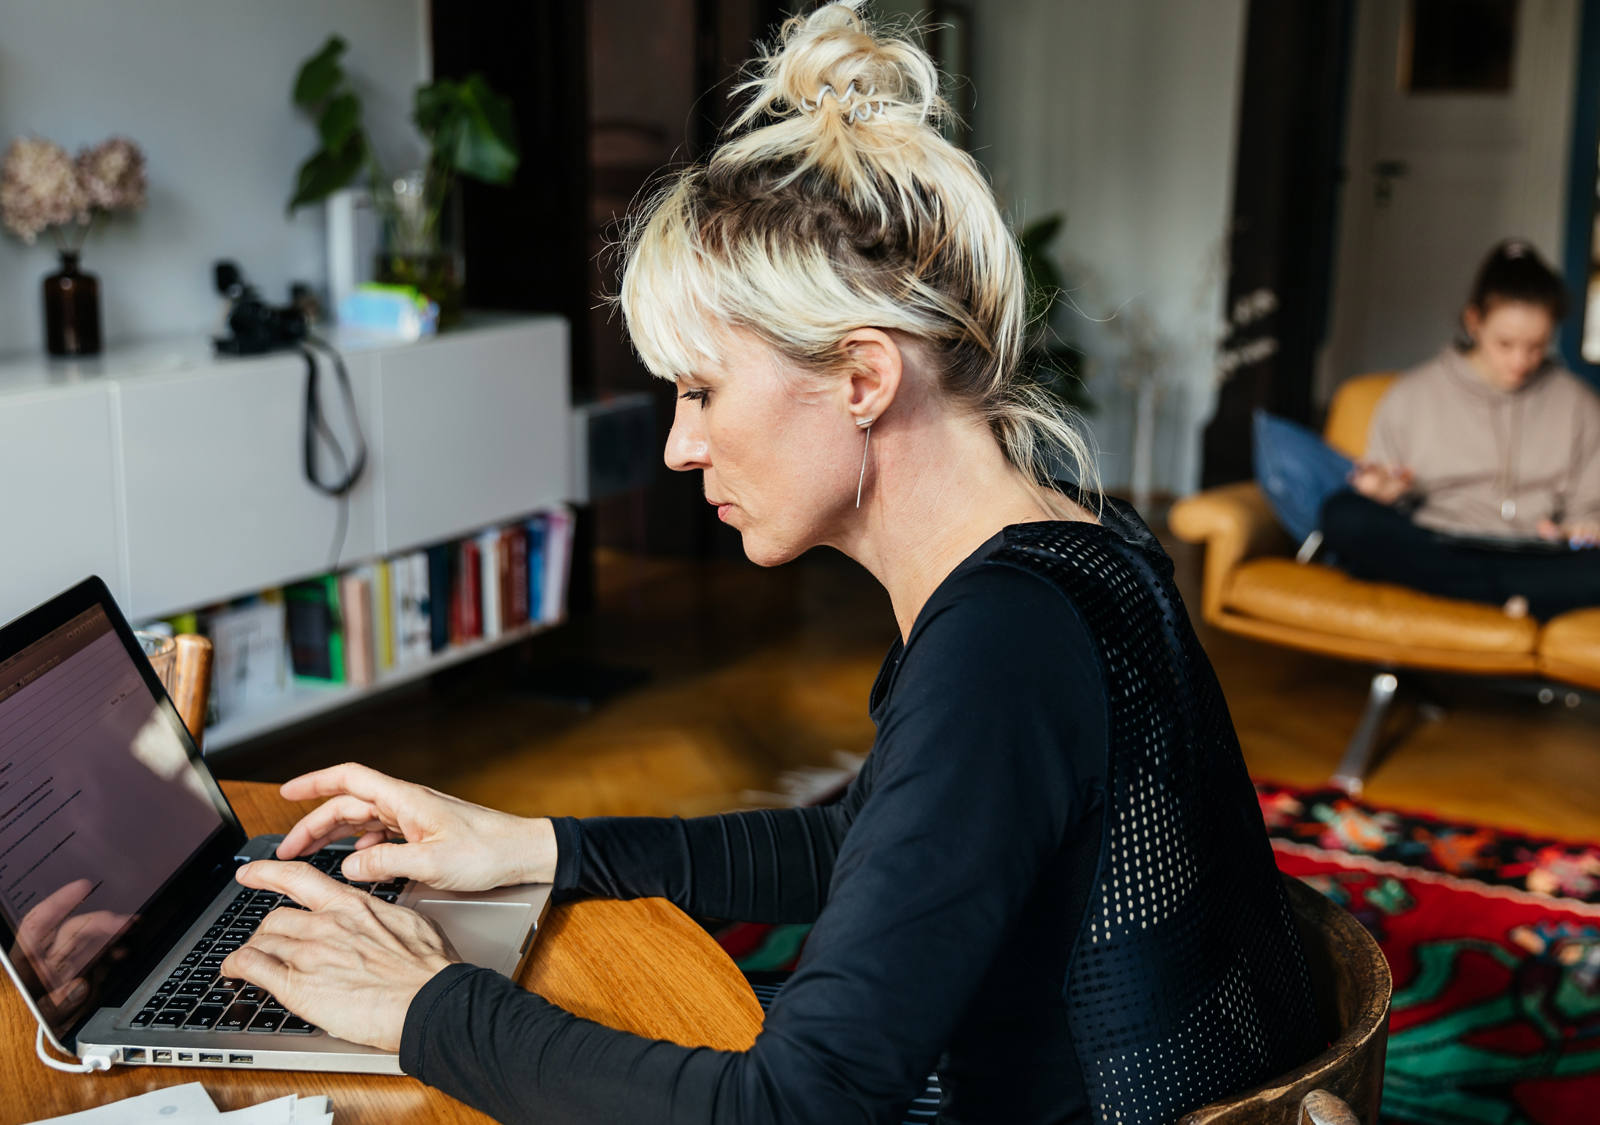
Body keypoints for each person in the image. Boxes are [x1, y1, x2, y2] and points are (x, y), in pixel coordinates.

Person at [219, 7, 1319, 1122]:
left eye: (700, 389)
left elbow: (796, 1110)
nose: (677, 444)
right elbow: (870, 847)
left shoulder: (1000, 647)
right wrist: (533, 846)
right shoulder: (1081, 549)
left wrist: (419, 1004)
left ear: (861, 377)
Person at [1320, 240, 1600, 620]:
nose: (1521, 361)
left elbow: (1589, 507)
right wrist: (1385, 494)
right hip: (1442, 544)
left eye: (1536, 346)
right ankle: (1512, 596)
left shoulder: (1579, 403)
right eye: (1505, 344)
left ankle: (1484, 592)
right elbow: (1383, 493)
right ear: (1474, 322)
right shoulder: (1410, 395)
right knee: (1344, 515)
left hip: (1538, 555)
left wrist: (1581, 527)